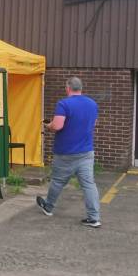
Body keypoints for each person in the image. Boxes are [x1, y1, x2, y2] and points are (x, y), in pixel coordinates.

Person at [35, 77, 101, 228]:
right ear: (81, 88)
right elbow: (94, 123)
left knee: (58, 181)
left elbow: (57, 126)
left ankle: (49, 207)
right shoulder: (92, 103)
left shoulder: (63, 104)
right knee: (89, 185)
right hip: (86, 152)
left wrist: (48, 125)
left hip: (65, 153)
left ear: (68, 88)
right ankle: (94, 218)